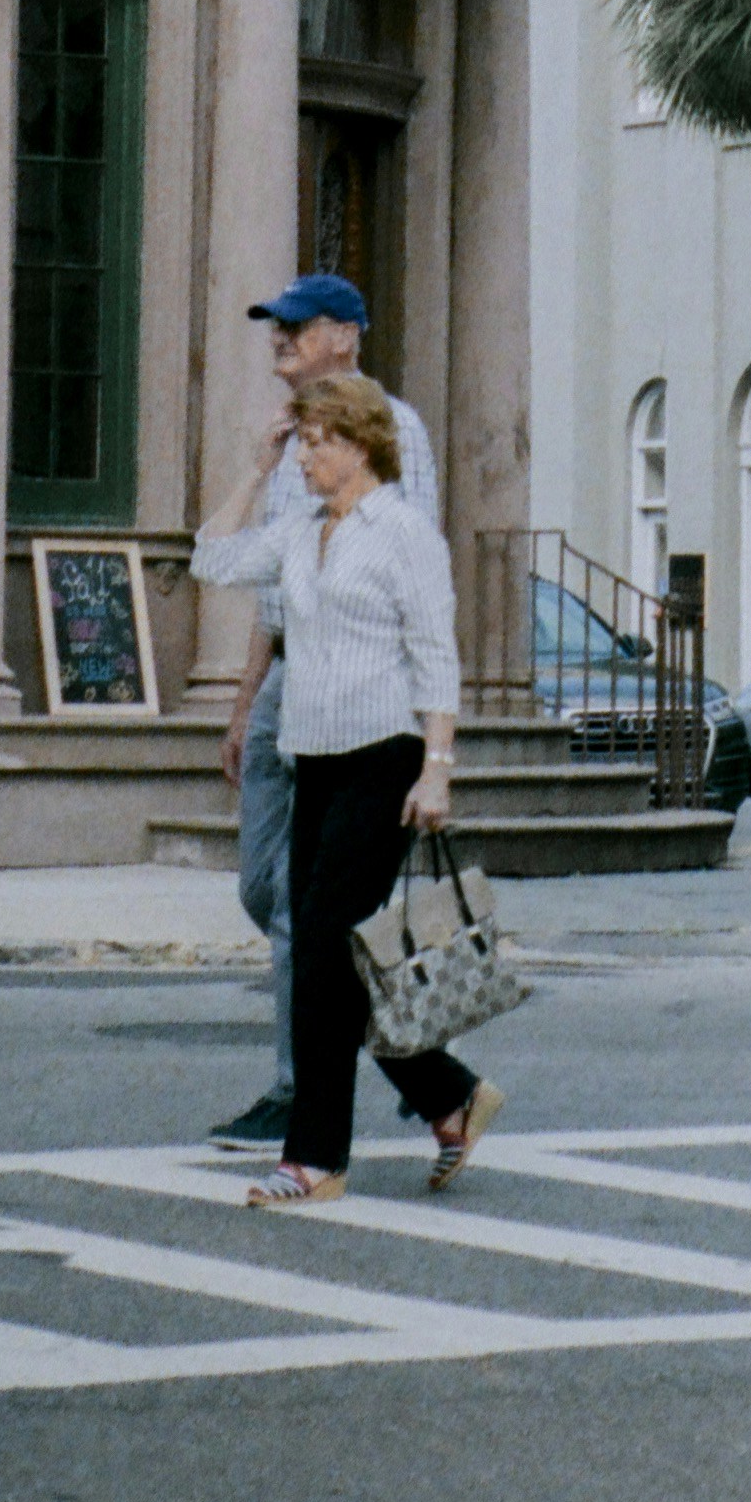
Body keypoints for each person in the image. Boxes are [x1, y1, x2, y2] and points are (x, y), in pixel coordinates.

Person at [194, 274, 433, 1154]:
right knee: (265, 889)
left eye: (295, 325)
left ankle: (301, 1091)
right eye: (276, 326)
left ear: (345, 334)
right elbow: (260, 579)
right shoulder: (290, 439)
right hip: (285, 684)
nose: (279, 338)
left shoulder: (391, 428)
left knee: (310, 910)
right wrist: (244, 697)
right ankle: (417, 1058)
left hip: (353, 690)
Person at [248, 366, 487, 1202]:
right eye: (303, 442)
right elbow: (214, 558)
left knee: (319, 950)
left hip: (384, 759)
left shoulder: (404, 532)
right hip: (314, 757)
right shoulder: (306, 528)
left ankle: (315, 1156)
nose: (305, 458)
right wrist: (256, 465)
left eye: (316, 443)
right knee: (343, 955)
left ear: (357, 444)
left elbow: (436, 651)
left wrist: (437, 766)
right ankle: (447, 1092)